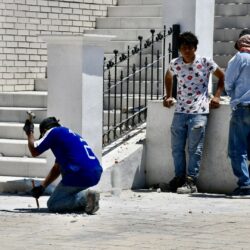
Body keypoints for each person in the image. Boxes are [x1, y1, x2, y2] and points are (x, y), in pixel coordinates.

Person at [161, 31, 224, 194]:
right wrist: (168, 96)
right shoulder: (175, 63)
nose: (187, 51)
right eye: (183, 48)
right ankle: (178, 178)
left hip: (199, 112)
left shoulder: (205, 62)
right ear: (180, 50)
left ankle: (191, 182)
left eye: (190, 47)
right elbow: (168, 76)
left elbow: (222, 76)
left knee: (194, 149)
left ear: (195, 48)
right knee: (176, 148)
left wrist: (216, 97)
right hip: (180, 111)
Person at [23, 117, 103, 213]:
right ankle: (87, 200)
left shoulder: (53, 132)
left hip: (78, 173)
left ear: (45, 131)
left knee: (53, 204)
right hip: (95, 173)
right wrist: (42, 187)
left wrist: (29, 132)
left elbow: (34, 151)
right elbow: (57, 168)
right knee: (64, 169)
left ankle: (85, 197)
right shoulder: (69, 136)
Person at [225, 30, 250, 197]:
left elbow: (228, 82)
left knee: (237, 149)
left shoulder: (239, 58)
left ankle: (245, 185)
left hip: (243, 108)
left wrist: (231, 93)